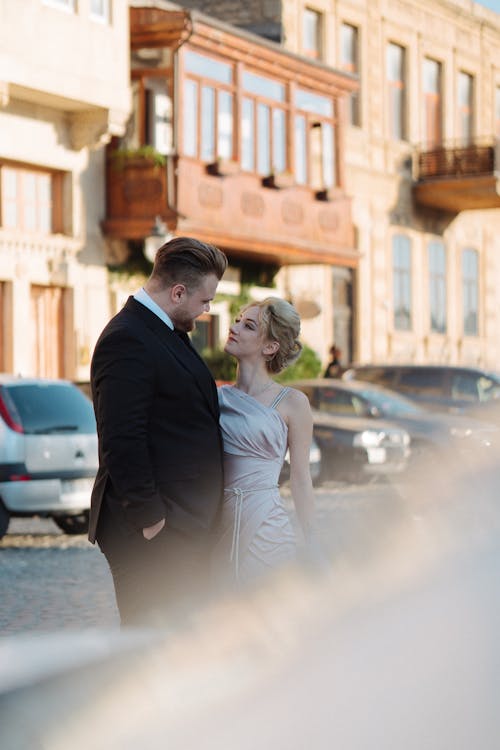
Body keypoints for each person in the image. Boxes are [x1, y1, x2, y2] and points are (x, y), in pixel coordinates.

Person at [88, 236, 228, 627]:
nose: (206, 310)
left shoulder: (164, 331)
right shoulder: (127, 337)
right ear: (179, 292)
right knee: (152, 652)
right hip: (151, 533)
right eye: (205, 301)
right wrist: (152, 520)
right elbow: (121, 436)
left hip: (183, 526)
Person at [214, 297, 317, 586]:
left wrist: (313, 542)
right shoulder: (215, 398)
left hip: (267, 528)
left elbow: (300, 478)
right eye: (237, 321)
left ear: (270, 347)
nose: (234, 328)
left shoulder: (293, 403)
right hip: (217, 523)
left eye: (248, 326)